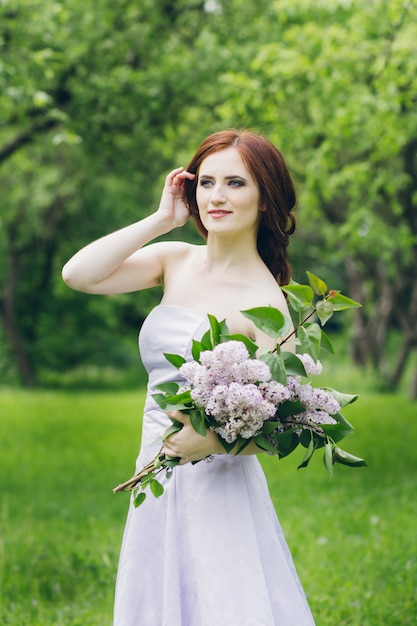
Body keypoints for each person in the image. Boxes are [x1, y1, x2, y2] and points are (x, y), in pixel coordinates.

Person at [62, 129, 316, 625]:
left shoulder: (266, 306)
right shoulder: (176, 260)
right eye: (206, 182)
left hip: (217, 481)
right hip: (154, 467)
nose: (216, 196)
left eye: (236, 183)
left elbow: (283, 423)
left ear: (265, 198)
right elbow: (79, 275)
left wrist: (212, 444)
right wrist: (161, 220)